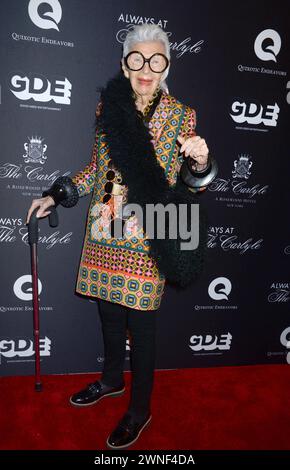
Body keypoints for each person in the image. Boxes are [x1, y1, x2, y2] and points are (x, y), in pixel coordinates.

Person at [25, 24, 210, 450]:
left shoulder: (183, 115)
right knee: (109, 313)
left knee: (141, 326)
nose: (146, 68)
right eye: (137, 59)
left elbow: (188, 184)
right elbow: (96, 168)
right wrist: (56, 194)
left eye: (156, 60)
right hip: (103, 231)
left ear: (166, 67)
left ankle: (140, 409)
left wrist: (200, 162)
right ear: (124, 66)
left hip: (149, 236)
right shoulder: (107, 107)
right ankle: (111, 379)